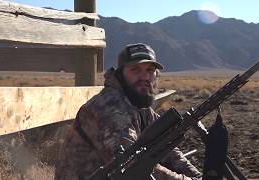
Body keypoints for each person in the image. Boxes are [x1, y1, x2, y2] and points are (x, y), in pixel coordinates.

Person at [55, 43, 202, 180]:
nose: (145, 77)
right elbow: (133, 164)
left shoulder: (139, 105)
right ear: (120, 74)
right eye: (135, 70)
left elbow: (169, 149)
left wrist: (196, 175)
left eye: (150, 70)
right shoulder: (109, 107)